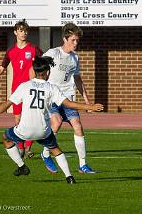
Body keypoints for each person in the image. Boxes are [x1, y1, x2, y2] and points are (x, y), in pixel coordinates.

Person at [0, 56, 104, 184]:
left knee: (5, 137)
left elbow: (7, 104)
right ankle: (69, 177)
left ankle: (22, 166)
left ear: (34, 71)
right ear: (48, 72)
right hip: (43, 131)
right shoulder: (51, 88)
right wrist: (90, 106)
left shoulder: (25, 86)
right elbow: (69, 104)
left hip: (24, 131)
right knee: (56, 150)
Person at [40, 22, 96, 174]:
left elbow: (77, 80)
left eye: (77, 40)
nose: (76, 43)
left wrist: (87, 101)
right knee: (56, 123)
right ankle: (45, 154)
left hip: (67, 98)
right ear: (65, 39)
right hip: (52, 97)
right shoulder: (53, 53)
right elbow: (38, 67)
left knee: (77, 124)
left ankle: (83, 165)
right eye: (73, 40)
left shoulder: (74, 58)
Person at [0, 19, 43, 159]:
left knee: (32, 120)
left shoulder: (33, 48)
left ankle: (28, 148)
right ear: (16, 32)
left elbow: (45, 62)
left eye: (26, 31)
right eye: (21, 30)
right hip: (17, 90)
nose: (24, 33)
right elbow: (1, 68)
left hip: (31, 89)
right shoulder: (11, 51)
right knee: (18, 121)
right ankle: (21, 148)